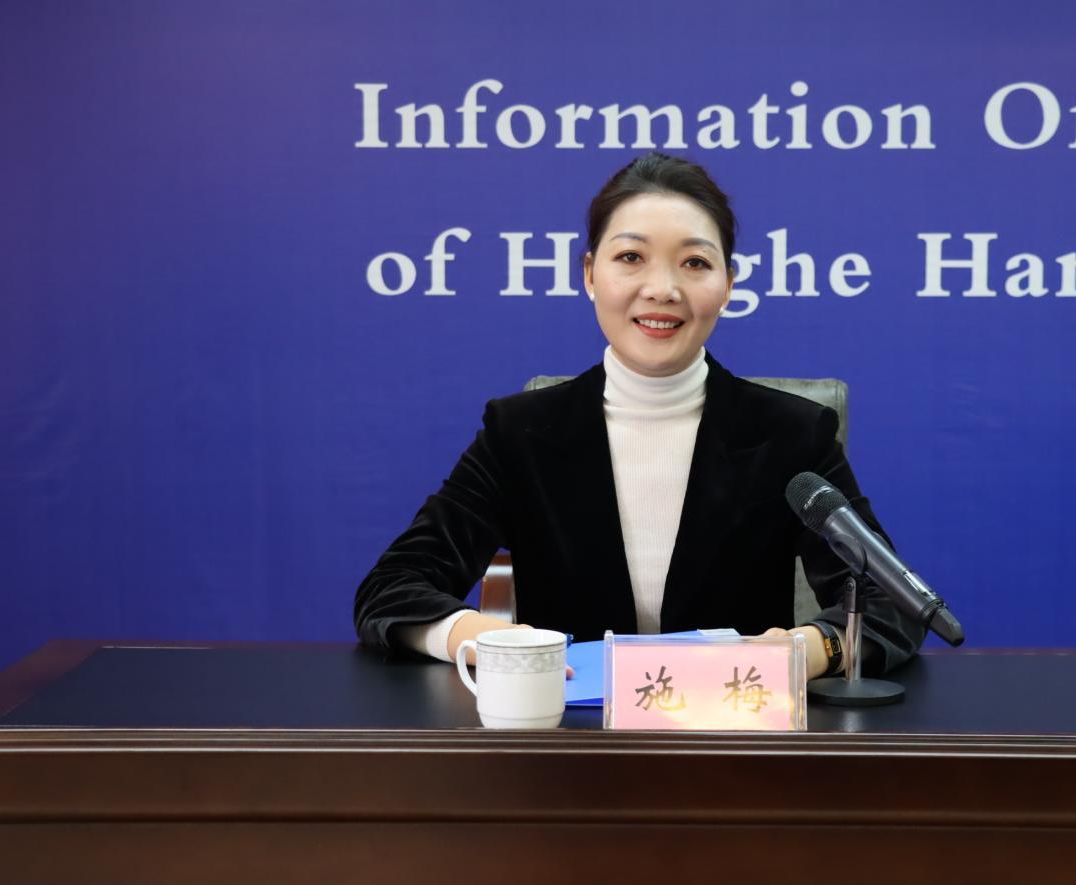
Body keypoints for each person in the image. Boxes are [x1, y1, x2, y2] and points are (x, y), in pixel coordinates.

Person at [354, 152, 924, 679]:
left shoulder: (791, 435)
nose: (662, 289)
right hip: (570, 737)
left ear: (727, 285)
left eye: (695, 263)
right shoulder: (521, 433)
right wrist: (486, 638)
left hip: (732, 735)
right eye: (631, 257)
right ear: (589, 273)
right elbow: (392, 588)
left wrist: (808, 650)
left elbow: (891, 605)